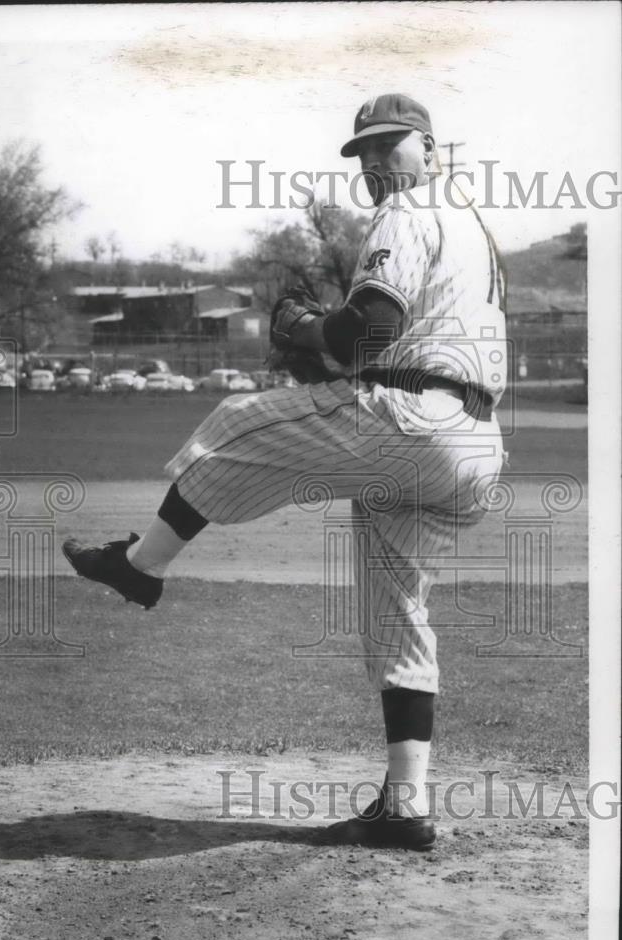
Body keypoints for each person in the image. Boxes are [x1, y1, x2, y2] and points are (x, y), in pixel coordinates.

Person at [64, 93, 507, 851]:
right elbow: (388, 334)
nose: (373, 162)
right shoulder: (474, 224)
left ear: (431, 150)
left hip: (413, 421)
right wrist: (329, 339)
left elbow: (369, 333)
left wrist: (304, 328)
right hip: (475, 445)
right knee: (397, 613)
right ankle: (404, 807)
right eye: (362, 151)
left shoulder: (408, 207)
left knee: (236, 425)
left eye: (389, 145)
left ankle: (140, 566)